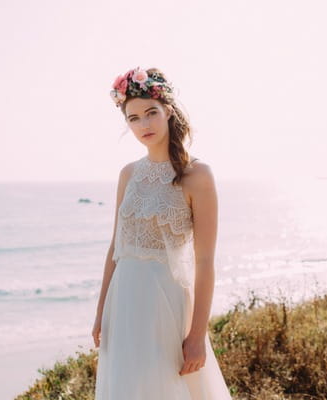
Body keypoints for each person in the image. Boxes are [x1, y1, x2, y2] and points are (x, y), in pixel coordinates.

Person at [93, 66, 232, 399]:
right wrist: (100, 314)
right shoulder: (128, 174)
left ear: (168, 110)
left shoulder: (196, 175)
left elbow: (206, 260)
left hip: (165, 305)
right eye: (134, 118)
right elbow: (116, 247)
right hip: (122, 303)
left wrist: (198, 335)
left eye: (151, 113)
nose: (144, 125)